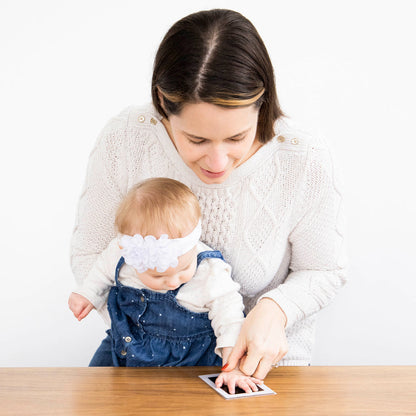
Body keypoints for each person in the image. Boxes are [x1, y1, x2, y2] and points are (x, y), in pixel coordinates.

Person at [70, 8, 347, 381]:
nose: (217, 162)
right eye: (196, 139)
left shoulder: (302, 157)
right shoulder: (126, 140)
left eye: (236, 138)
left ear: (261, 104)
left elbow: (324, 269)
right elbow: (93, 253)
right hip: (142, 363)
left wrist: (276, 308)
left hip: (261, 370)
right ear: (163, 106)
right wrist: (153, 333)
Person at [69, 178, 261, 393]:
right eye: (158, 276)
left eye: (183, 269)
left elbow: (230, 319)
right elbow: (101, 272)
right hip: (124, 347)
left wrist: (233, 366)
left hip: (189, 360)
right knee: (92, 390)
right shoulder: (121, 252)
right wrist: (87, 294)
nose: (172, 281)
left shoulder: (210, 272)